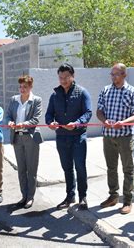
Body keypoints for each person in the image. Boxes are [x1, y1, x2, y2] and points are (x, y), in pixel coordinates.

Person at [45, 64, 92, 210]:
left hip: (78, 137)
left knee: (80, 167)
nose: (63, 80)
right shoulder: (54, 95)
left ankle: (82, 197)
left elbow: (88, 113)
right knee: (67, 168)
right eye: (60, 77)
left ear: (73, 76)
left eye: (66, 77)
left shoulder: (82, 92)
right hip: (61, 137)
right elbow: (48, 114)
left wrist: (77, 123)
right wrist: (50, 123)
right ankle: (69, 196)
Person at [97, 63, 134, 214]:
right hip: (108, 136)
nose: (113, 77)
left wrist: (123, 122)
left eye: (116, 74)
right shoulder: (105, 90)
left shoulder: (132, 92)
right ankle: (113, 196)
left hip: (125, 136)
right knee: (111, 168)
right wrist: (104, 121)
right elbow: (99, 111)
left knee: (128, 169)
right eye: (112, 74)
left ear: (124, 75)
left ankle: (127, 201)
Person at [5, 75, 43, 209]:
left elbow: (36, 119)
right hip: (17, 138)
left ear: (31, 87)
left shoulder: (36, 100)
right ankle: (24, 195)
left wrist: (23, 124)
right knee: (21, 169)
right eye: (20, 86)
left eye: (25, 87)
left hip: (31, 138)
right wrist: (9, 121)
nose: (22, 89)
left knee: (31, 169)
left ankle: (30, 197)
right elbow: (8, 114)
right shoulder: (14, 100)